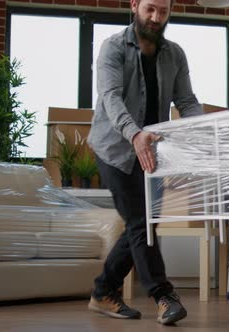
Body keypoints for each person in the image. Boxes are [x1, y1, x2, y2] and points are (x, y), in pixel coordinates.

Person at [87, 0, 202, 325]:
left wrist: (204, 133)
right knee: (141, 221)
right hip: (115, 148)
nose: (156, 17)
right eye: (150, 8)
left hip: (152, 150)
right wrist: (135, 134)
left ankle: (103, 291)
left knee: (144, 223)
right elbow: (111, 98)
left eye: (163, 11)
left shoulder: (174, 53)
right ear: (135, 5)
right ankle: (163, 296)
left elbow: (187, 101)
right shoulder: (113, 48)